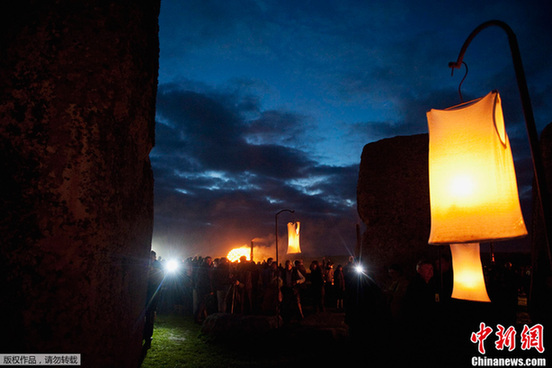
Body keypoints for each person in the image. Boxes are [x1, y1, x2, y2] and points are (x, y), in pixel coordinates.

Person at [143, 250, 164, 349]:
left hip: (152, 295)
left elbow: (157, 280)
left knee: (150, 316)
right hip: (146, 294)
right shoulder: (146, 266)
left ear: (154, 257)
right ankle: (144, 334)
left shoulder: (158, 267)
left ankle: (148, 337)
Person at [194, 256, 214, 323]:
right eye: (208, 260)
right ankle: (198, 317)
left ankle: (202, 317)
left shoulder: (201, 267)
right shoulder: (206, 268)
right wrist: (210, 290)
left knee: (202, 303)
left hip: (200, 287)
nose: (209, 262)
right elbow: (208, 280)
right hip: (203, 288)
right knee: (202, 303)